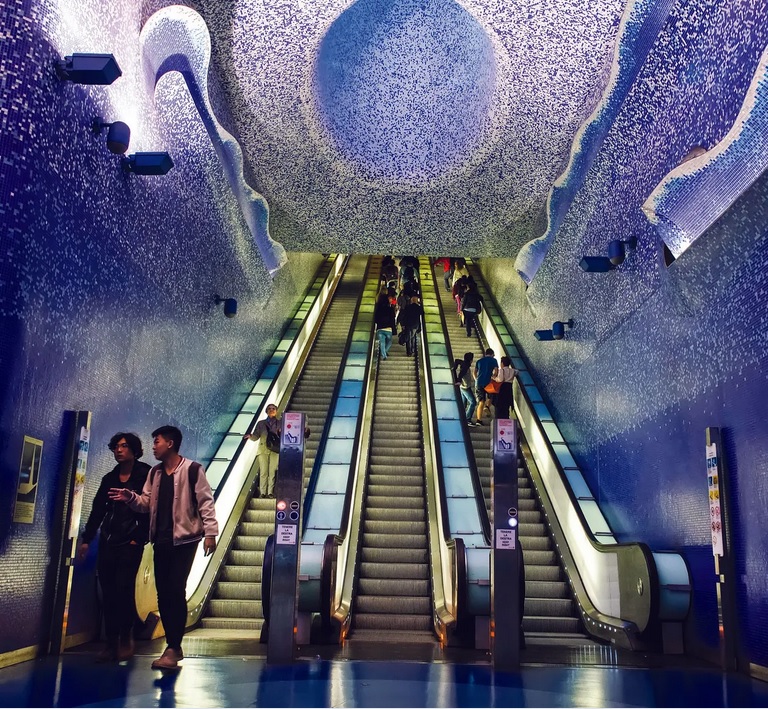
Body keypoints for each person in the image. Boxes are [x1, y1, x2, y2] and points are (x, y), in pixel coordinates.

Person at [108, 425, 218, 671]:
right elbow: (146, 503)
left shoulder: (192, 470)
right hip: (160, 540)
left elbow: (205, 501)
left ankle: (173, 646)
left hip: (185, 540)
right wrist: (131, 498)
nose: (153, 447)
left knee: (175, 590)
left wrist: (210, 533)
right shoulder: (155, 473)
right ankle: (173, 647)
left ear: (170, 443)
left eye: (156, 441)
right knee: (163, 594)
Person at [79, 432, 150, 662]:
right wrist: (87, 539)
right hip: (109, 540)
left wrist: (139, 537)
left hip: (131, 541)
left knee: (124, 588)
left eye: (124, 446)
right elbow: (98, 509)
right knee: (108, 591)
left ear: (134, 450)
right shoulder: (110, 478)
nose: (119, 450)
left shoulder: (146, 475)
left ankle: (126, 637)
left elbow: (152, 508)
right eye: (116, 446)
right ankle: (111, 642)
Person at [245, 404, 281, 498]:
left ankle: (270, 492)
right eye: (269, 409)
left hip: (275, 450)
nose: (271, 410)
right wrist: (250, 436)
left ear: (276, 411)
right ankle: (263, 492)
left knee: (272, 471)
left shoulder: (280, 423)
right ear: (266, 411)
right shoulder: (261, 423)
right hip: (263, 449)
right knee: (263, 471)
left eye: (273, 408)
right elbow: (256, 436)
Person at [473, 348, 499, 424]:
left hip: (479, 383)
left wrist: (476, 380)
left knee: (481, 402)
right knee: (491, 396)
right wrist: (493, 377)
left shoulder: (479, 361)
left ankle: (478, 420)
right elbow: (496, 371)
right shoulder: (494, 360)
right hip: (488, 383)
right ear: (492, 354)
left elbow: (474, 372)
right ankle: (487, 406)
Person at [453, 352, 478, 426]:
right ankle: (467, 419)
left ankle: (461, 417)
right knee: (473, 402)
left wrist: (454, 368)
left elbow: (457, 360)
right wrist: (458, 380)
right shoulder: (466, 366)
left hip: (464, 386)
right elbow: (461, 373)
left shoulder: (464, 363)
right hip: (465, 387)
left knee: (463, 403)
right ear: (471, 360)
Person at [374, 292, 396, 361]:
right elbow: (392, 320)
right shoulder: (390, 309)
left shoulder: (378, 309)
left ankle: (384, 355)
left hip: (380, 328)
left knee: (382, 342)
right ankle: (384, 353)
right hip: (388, 329)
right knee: (389, 342)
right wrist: (394, 329)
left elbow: (375, 319)